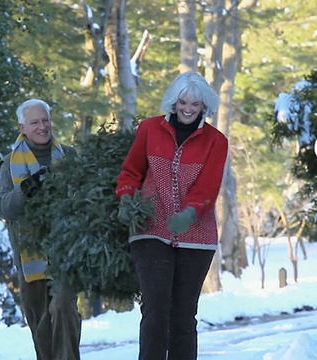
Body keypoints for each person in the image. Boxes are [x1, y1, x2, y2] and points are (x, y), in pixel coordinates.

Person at [115, 72, 228, 360]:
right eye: (183, 102)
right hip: (150, 229)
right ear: (173, 102)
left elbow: (208, 185)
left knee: (183, 315)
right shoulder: (150, 129)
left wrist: (191, 212)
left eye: (195, 103)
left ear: (205, 106)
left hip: (196, 238)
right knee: (154, 309)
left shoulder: (216, 141)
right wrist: (126, 198)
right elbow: (132, 171)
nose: (188, 109)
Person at [0, 98, 81, 360]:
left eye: (45, 120)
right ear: (22, 127)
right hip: (30, 256)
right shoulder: (9, 164)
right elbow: (1, 205)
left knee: (64, 306)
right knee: (40, 322)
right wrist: (26, 189)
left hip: (65, 252)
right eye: (35, 122)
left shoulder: (69, 156)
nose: (42, 126)